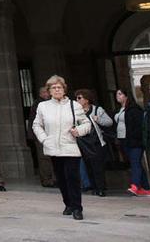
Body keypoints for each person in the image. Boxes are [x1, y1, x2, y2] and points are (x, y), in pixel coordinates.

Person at [32, 75, 91, 220]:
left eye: (59, 87)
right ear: (49, 91)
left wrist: (79, 131)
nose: (57, 90)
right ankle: (68, 203)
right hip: (53, 148)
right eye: (54, 87)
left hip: (70, 146)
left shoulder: (74, 105)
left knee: (73, 177)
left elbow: (86, 123)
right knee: (62, 178)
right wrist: (45, 139)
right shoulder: (43, 106)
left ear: (64, 89)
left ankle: (77, 207)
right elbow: (36, 124)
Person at [74, 88, 112, 197]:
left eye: (79, 98)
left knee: (98, 167)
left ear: (87, 99)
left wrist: (98, 119)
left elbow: (109, 122)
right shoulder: (77, 113)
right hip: (83, 143)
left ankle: (100, 188)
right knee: (88, 166)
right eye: (76, 98)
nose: (77, 100)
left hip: (96, 143)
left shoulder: (97, 110)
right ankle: (94, 187)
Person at [114, 89, 150, 196]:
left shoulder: (134, 109)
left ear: (127, 96)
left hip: (134, 141)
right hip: (124, 140)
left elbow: (139, 126)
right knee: (136, 163)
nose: (118, 96)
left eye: (120, 94)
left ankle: (135, 185)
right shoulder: (120, 109)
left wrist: (135, 137)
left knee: (135, 162)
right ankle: (146, 188)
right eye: (117, 94)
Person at [29, 86, 55, 187]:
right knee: (44, 158)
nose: (47, 94)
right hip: (40, 135)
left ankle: (51, 178)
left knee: (49, 157)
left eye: (47, 92)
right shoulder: (39, 104)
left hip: (46, 134)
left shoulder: (46, 103)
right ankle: (47, 180)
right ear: (41, 94)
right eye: (45, 92)